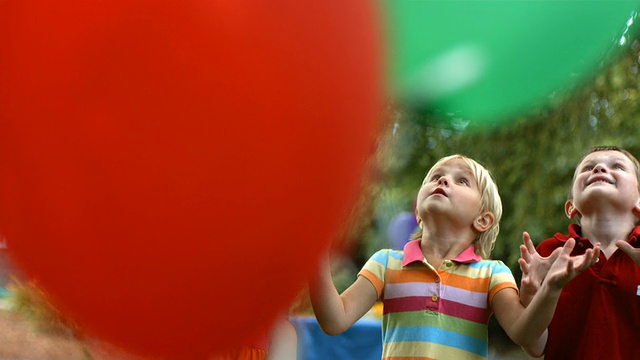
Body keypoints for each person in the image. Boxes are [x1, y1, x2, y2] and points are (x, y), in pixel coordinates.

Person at [309, 154, 598, 360]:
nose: (444, 180)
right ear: (419, 213)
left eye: (461, 181)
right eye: (436, 177)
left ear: (483, 220)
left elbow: (525, 333)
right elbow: (335, 320)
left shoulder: (492, 273)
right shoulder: (386, 263)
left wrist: (551, 289)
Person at [519, 145, 640, 359]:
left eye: (618, 166)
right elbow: (536, 347)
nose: (600, 168)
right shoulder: (550, 254)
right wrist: (531, 293)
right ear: (571, 206)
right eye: (589, 167)